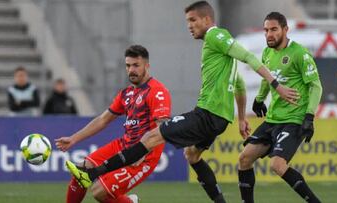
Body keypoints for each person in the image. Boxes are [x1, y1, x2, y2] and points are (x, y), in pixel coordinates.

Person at [65, 2, 299, 203]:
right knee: (192, 156)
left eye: (193, 20)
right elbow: (238, 85)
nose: (190, 25)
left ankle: (95, 172)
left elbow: (248, 56)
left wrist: (276, 85)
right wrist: (240, 119)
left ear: (207, 19)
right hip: (220, 119)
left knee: (152, 136)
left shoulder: (215, 35)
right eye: (188, 20)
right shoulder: (222, 56)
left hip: (207, 114)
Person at [55, 45, 171, 203]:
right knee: (80, 173)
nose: (131, 70)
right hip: (123, 146)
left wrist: (142, 152)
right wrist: (74, 139)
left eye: (136, 65)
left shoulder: (157, 91)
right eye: (128, 65)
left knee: (99, 192)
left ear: (147, 66)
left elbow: (163, 129)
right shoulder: (127, 94)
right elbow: (103, 119)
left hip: (144, 155)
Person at [238, 12, 322, 203]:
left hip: (293, 120)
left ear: (285, 30)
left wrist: (309, 117)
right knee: (244, 159)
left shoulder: (300, 53)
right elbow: (268, 77)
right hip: (273, 119)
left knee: (277, 164)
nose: (269, 34)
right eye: (266, 30)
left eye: (274, 29)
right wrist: (260, 99)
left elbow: (316, 86)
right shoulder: (267, 52)